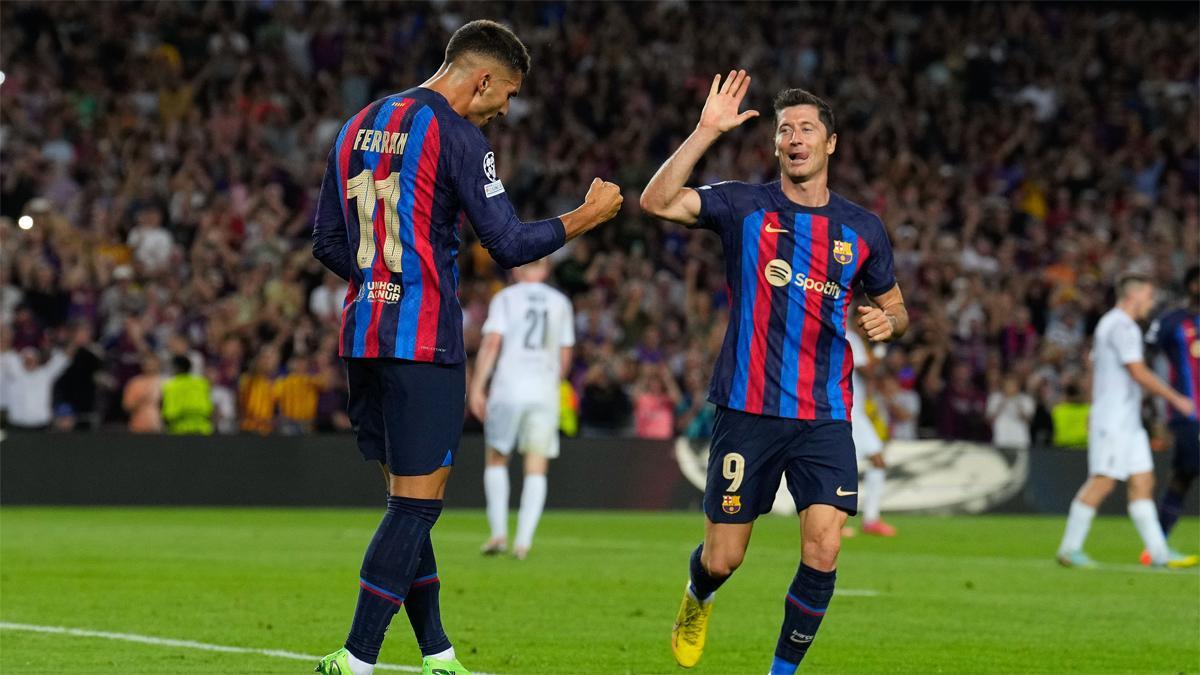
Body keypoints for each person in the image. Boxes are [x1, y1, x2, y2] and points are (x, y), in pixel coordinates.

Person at [310, 20, 622, 675]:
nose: (504, 109)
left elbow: (328, 242)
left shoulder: (356, 123)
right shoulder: (458, 134)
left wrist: (384, 283)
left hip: (364, 335)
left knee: (406, 507)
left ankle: (439, 654)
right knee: (417, 507)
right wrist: (585, 218)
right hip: (424, 343)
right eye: (504, 95)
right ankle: (357, 658)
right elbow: (507, 243)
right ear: (481, 79)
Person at [640, 73, 907, 674]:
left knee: (825, 544)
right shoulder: (743, 205)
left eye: (807, 128)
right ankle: (697, 595)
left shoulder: (862, 229)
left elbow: (895, 303)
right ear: (775, 145)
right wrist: (705, 131)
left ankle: (780, 672)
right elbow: (656, 202)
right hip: (748, 408)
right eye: (785, 129)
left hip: (824, 413)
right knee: (723, 558)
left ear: (830, 143)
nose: (794, 137)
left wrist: (890, 322)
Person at [1055, 273, 1197, 569]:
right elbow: (1138, 372)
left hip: (1126, 420)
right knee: (1103, 481)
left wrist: (1094, 405)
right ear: (1133, 296)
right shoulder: (1122, 326)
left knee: (1143, 480)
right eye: (1148, 296)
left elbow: (1093, 365)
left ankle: (1158, 552)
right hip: (1115, 419)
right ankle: (1069, 548)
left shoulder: (1111, 324)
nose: (1151, 303)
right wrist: (1177, 399)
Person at [468, 258, 574, 560]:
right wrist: (553, 382)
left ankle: (499, 533)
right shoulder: (560, 302)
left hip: (508, 387)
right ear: (546, 269)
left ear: (516, 268)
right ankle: (524, 542)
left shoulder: (505, 299)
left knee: (497, 458)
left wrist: (477, 386)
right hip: (544, 389)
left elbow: (491, 344)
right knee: (536, 464)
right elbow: (565, 356)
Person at [1143, 265, 1199, 556]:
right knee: (1185, 474)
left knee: (1183, 477)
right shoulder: (1172, 321)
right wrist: (1153, 401)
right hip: (1188, 413)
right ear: (1193, 285)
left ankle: (1156, 543)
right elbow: (1143, 354)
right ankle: (1156, 543)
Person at [847, 324, 897, 536]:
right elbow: (866, 369)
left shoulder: (846, 335)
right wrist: (880, 348)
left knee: (874, 461)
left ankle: (870, 520)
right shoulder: (849, 336)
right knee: (864, 462)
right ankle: (864, 520)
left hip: (853, 410)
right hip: (849, 411)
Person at [1, 346, 71, 430]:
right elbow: (5, 356)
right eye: (27, 360)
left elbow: (63, 358)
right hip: (17, 425)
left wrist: (75, 342)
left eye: (32, 359)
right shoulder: (14, 374)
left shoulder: (46, 374)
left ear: (38, 361)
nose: (30, 362)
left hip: (41, 426)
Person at [161, 355, 213, 434]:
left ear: (176, 368)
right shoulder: (202, 383)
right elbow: (210, 409)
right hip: (202, 430)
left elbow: (168, 413)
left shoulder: (171, 385)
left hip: (178, 431)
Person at [986, 373, 1035, 453]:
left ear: (1018, 386)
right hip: (1000, 439)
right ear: (1003, 385)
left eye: (1012, 385)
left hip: (1020, 440)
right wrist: (1001, 404)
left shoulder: (1026, 399)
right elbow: (989, 420)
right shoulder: (995, 397)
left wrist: (1017, 403)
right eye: (1007, 385)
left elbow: (1029, 420)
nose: (1009, 388)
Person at [122, 353, 163, 433]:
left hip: (160, 428)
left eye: (153, 364)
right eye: (148, 364)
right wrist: (141, 400)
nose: (150, 366)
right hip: (138, 427)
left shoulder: (165, 382)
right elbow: (127, 406)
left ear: (159, 365)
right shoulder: (135, 383)